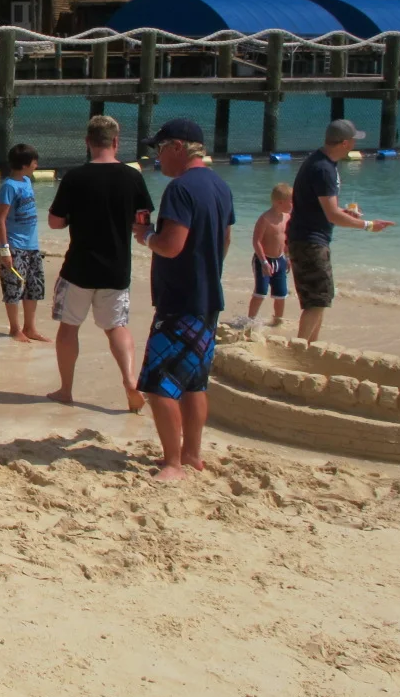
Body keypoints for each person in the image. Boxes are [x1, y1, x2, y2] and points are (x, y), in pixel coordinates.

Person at [133, 119, 235, 482]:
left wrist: (145, 235)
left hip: (179, 300)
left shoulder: (180, 189)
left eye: (158, 150)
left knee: (159, 386)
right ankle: (192, 454)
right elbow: (225, 239)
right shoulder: (220, 185)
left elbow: (170, 245)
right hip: (209, 298)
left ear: (177, 147)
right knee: (194, 383)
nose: (156, 158)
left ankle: (173, 462)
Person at [45, 115, 155, 411]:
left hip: (79, 267)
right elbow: (142, 222)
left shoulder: (74, 177)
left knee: (69, 328)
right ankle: (129, 380)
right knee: (117, 327)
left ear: (87, 143)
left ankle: (66, 390)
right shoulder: (133, 177)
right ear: (116, 142)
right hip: (117, 267)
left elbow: (55, 222)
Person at [288, 119, 396, 342]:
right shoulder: (323, 168)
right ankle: (299, 350)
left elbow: (324, 206)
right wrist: (368, 226)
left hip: (305, 238)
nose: (356, 144)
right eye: (354, 140)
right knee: (317, 300)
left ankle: (310, 349)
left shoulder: (321, 163)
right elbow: (332, 215)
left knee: (320, 299)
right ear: (345, 143)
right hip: (310, 240)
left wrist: (345, 211)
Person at [0, 143, 48, 343]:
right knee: (13, 288)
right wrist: (4, 249)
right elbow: (0, 219)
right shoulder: (9, 186)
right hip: (14, 246)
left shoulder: (27, 181)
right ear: (26, 164)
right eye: (35, 162)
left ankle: (30, 327)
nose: (37, 165)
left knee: (34, 286)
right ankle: (15, 328)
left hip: (32, 245)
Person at [248, 183, 294, 325]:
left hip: (280, 260)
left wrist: (288, 257)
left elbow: (286, 240)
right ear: (280, 202)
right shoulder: (265, 219)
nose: (293, 204)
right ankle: (250, 321)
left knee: (281, 295)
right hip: (264, 260)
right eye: (291, 201)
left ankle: (277, 321)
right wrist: (264, 262)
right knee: (260, 293)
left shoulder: (287, 217)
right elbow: (256, 242)